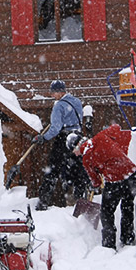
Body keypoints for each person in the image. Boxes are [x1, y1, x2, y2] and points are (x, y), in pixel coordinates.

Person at [68, 125, 136, 250]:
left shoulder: (86, 158)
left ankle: (108, 245)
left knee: (106, 212)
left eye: (74, 151)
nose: (76, 154)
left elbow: (94, 180)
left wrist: (95, 184)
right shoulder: (101, 136)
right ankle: (128, 239)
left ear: (76, 146)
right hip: (132, 174)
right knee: (127, 206)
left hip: (115, 180)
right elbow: (118, 129)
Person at [33, 80, 85, 209]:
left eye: (53, 93)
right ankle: (78, 199)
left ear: (60, 92)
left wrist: (43, 138)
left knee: (53, 170)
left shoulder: (59, 106)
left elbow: (56, 128)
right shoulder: (77, 102)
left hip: (64, 139)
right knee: (77, 170)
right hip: (77, 138)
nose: (52, 96)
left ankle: (44, 202)